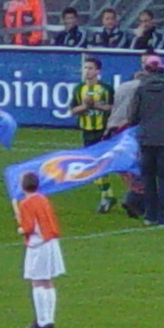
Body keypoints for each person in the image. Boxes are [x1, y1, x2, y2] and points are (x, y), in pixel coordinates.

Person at [125, 54, 164, 227]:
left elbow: (132, 115)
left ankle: (150, 215)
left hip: (145, 138)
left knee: (148, 177)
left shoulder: (141, 89)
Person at [13, 171, 64, 328]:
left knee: (37, 281)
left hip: (38, 244)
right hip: (51, 243)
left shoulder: (26, 203)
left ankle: (42, 321)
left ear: (23, 186)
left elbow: (27, 228)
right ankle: (49, 318)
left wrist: (20, 228)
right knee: (48, 281)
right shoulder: (43, 199)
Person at [71, 56, 115, 213]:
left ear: (97, 71)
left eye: (90, 68)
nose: (87, 71)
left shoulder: (106, 89)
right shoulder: (79, 89)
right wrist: (84, 106)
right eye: (85, 68)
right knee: (93, 165)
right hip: (87, 131)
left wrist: (95, 105)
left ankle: (108, 196)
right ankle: (107, 194)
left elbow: (113, 108)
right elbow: (73, 111)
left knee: (103, 164)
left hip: (104, 131)